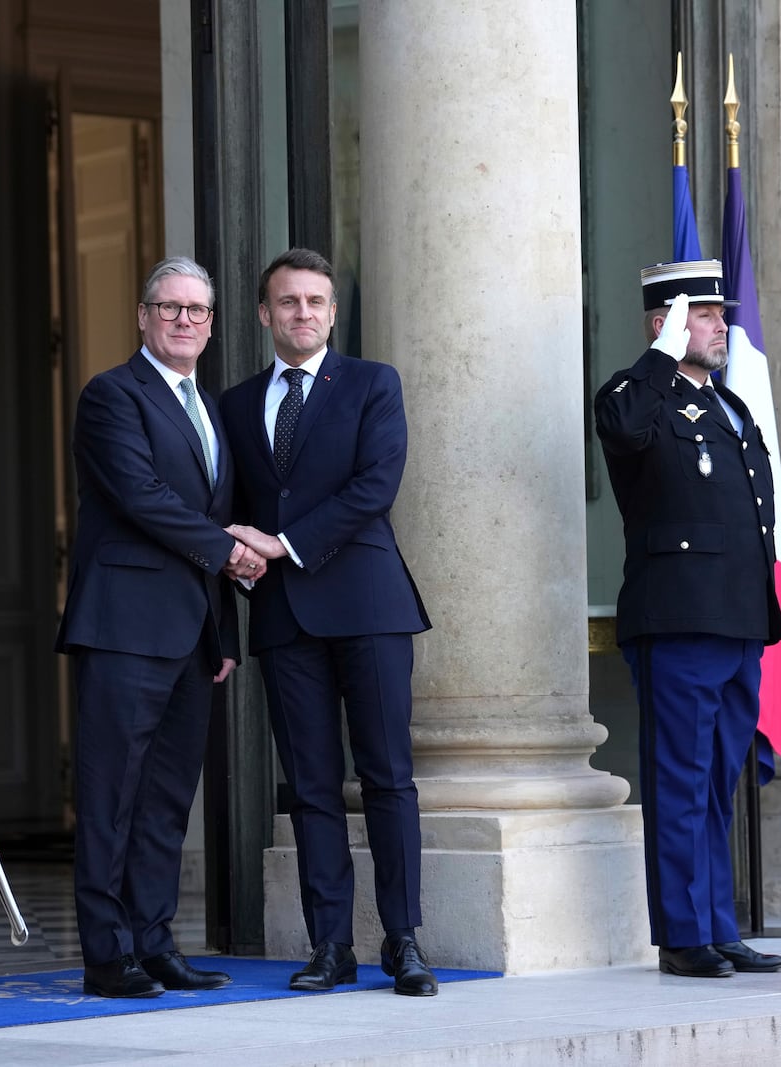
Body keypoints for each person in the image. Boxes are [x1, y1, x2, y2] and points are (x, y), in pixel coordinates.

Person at [219, 248, 436, 997]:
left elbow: (376, 485)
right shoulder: (236, 403)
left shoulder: (374, 384)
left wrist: (282, 545)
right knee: (310, 787)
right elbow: (230, 505)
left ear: (333, 312)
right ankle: (330, 945)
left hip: (369, 605)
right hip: (284, 617)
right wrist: (234, 553)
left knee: (387, 777)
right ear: (264, 313)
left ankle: (404, 940)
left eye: (315, 301)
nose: (302, 313)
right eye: (287, 302)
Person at [56, 256, 260, 999]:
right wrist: (229, 549)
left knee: (168, 798)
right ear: (143, 317)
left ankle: (155, 940)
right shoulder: (112, 395)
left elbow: (208, 510)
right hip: (123, 627)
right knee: (111, 793)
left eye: (198, 310)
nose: (184, 320)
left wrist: (225, 636)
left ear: (211, 324)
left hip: (194, 635)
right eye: (169, 307)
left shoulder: (209, 408)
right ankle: (107, 955)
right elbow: (141, 496)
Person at [592, 259, 781, 979]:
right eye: (703, 314)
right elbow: (620, 430)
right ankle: (681, 934)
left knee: (716, 782)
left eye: (718, 314)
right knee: (679, 777)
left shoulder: (732, 409)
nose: (720, 325)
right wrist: (658, 356)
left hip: (737, 620)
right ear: (665, 323)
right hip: (678, 620)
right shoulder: (635, 395)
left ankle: (717, 924)